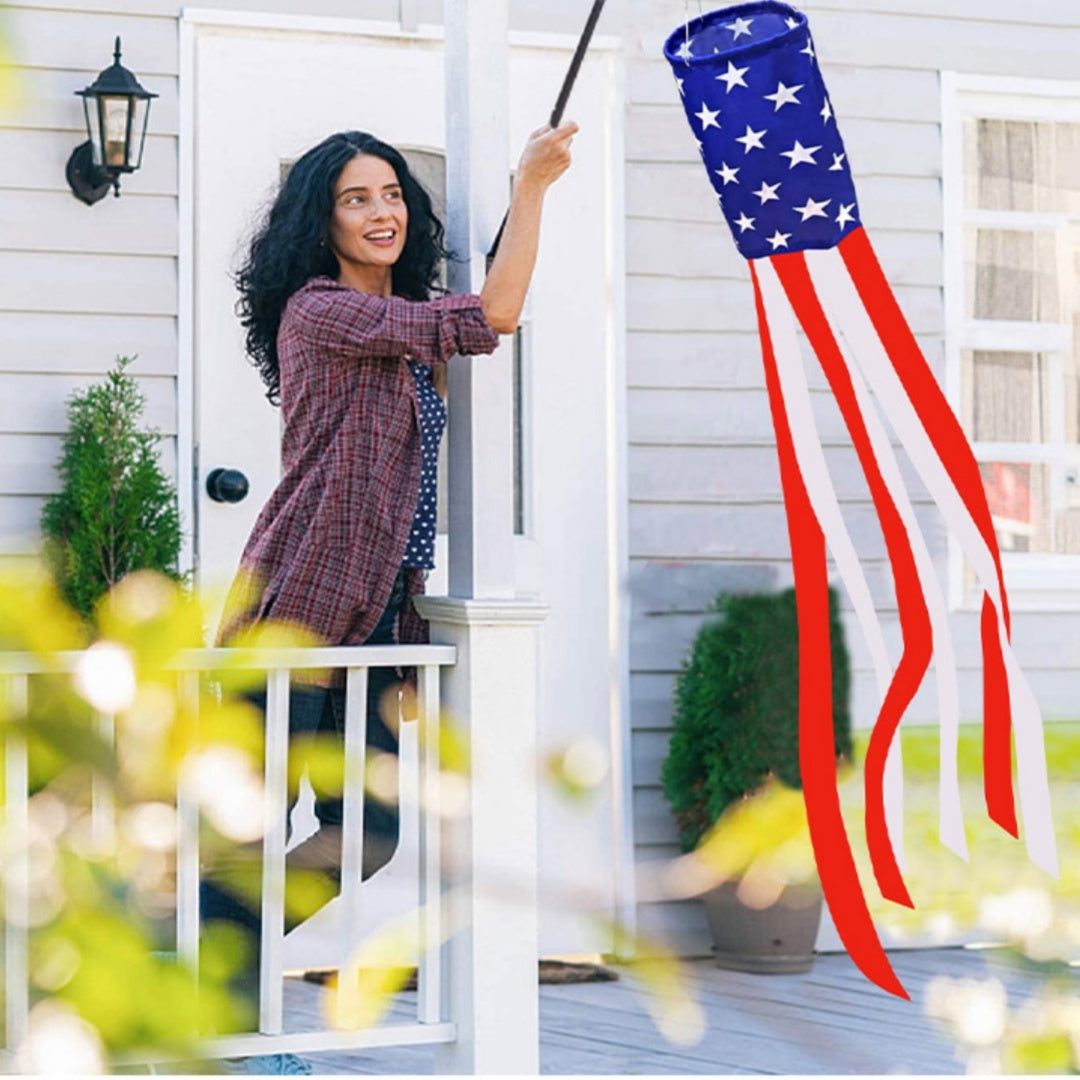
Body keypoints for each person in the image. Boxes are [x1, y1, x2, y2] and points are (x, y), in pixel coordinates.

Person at [202, 121, 577, 1073]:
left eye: (393, 196)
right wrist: (530, 187)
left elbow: (480, 315)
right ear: (319, 222)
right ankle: (224, 1027)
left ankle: (200, 976)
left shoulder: (401, 331)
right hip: (295, 607)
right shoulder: (322, 312)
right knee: (249, 828)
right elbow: (491, 317)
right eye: (357, 199)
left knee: (361, 835)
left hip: (379, 617)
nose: (382, 213)